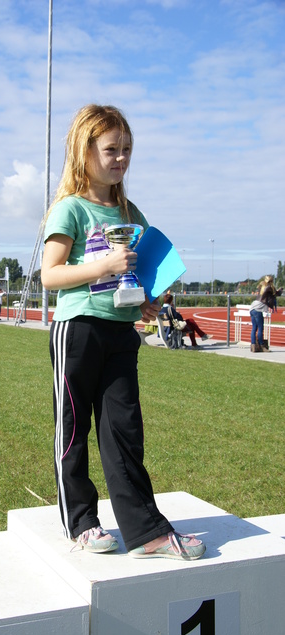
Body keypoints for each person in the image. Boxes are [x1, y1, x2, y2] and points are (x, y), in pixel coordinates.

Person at [41, 104, 206, 561]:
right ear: (84, 150)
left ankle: (145, 532)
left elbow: (141, 271)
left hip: (119, 333)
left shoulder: (132, 212)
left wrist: (149, 301)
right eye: (111, 149)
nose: (121, 159)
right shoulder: (70, 209)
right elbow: (49, 276)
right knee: (72, 431)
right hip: (76, 331)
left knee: (124, 431)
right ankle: (81, 523)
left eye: (127, 150)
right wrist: (105, 265)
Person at [249, 276, 282, 352]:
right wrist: (280, 290)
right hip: (258, 308)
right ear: (271, 281)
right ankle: (262, 346)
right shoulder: (270, 287)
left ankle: (253, 346)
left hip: (253, 307)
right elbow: (276, 294)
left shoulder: (262, 286)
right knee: (260, 328)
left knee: (254, 328)